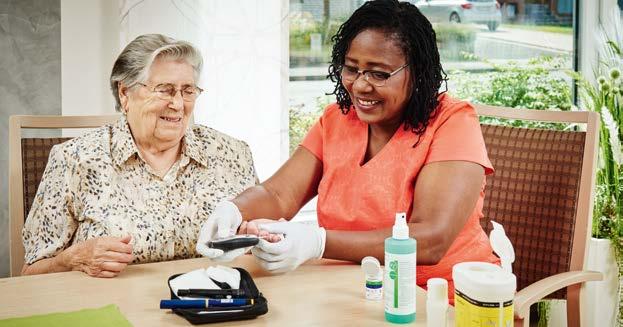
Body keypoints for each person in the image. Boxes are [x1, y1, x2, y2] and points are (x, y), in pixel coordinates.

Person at [197, 0, 499, 300]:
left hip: (444, 302)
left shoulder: (452, 122)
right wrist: (234, 210)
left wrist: (318, 242)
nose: (360, 86)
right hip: (354, 294)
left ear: (418, 72)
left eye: (379, 74)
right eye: (352, 69)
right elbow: (279, 195)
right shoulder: (337, 119)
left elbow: (432, 239)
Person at [21, 34, 258, 277]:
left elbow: (262, 241)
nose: (178, 104)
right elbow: (29, 275)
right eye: (165, 90)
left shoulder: (233, 154)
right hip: (113, 309)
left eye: (187, 91)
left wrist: (259, 240)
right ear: (124, 93)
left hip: (215, 308)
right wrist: (72, 259)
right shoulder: (75, 160)